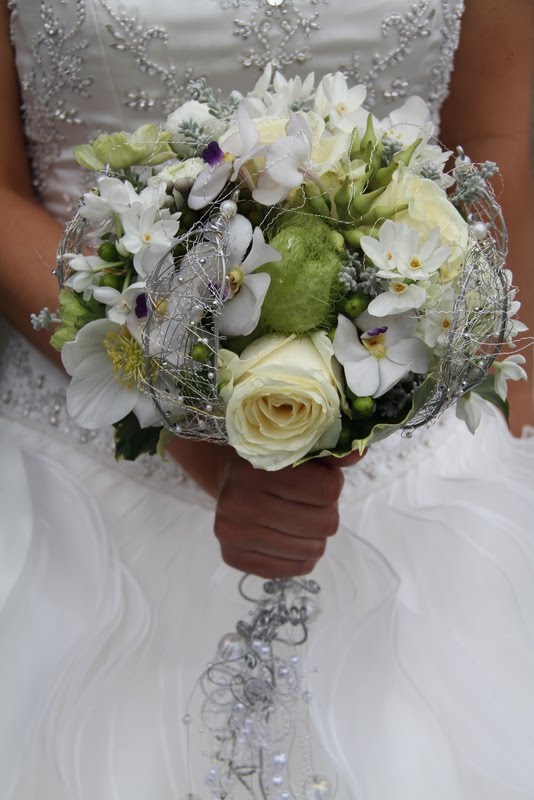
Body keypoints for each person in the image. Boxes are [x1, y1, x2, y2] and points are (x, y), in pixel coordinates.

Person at [0, 1, 533, 798]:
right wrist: (194, 432)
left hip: (413, 474)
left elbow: (498, 143)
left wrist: (495, 429)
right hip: (85, 458)